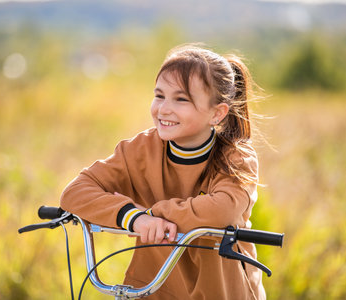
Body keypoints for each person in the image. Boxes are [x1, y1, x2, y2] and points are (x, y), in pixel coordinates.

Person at [60, 44, 265, 299]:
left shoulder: (235, 157)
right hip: (155, 287)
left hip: (220, 288)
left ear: (217, 113)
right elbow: (76, 192)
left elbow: (222, 211)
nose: (164, 108)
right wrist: (135, 219)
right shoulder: (139, 150)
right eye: (159, 96)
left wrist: (154, 213)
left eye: (181, 99)